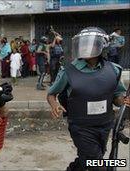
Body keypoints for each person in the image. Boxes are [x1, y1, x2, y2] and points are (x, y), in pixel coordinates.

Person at [47, 27, 130, 171]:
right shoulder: (68, 71)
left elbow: (117, 97)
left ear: (101, 45)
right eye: (83, 44)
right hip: (80, 127)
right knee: (98, 164)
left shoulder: (113, 70)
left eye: (89, 44)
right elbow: (51, 94)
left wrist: (123, 101)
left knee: (89, 159)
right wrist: (54, 105)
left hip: (105, 125)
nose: (85, 47)